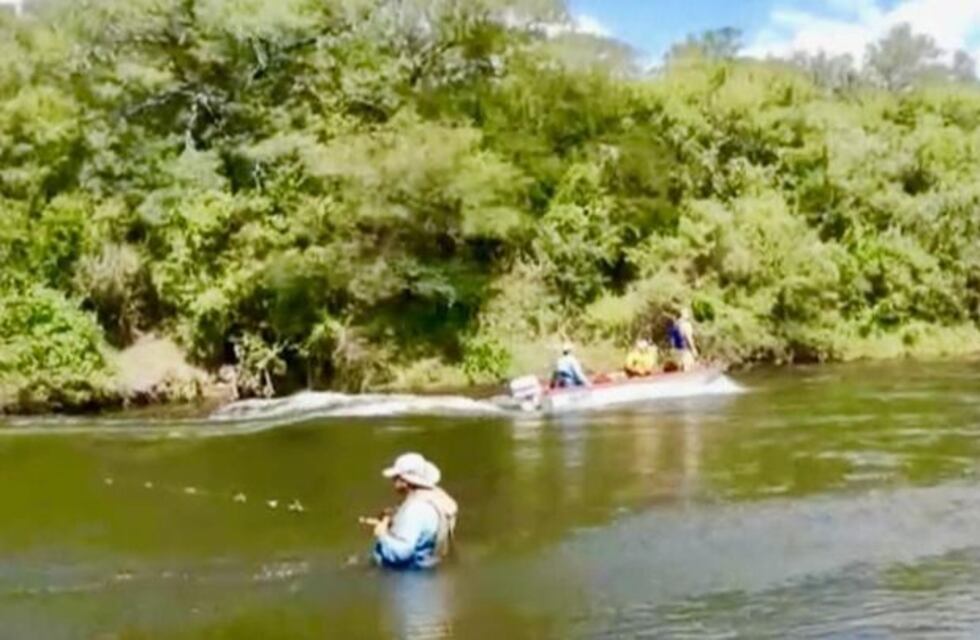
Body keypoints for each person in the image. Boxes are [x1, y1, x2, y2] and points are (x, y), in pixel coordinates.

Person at [360, 452, 458, 570]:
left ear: (404, 482)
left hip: (408, 577)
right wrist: (392, 519)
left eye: (396, 477)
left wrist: (382, 534)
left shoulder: (415, 510)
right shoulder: (435, 499)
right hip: (430, 568)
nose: (393, 481)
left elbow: (401, 553)